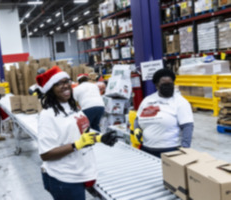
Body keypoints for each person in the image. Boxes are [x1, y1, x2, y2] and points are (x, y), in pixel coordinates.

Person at [36, 66, 119, 200]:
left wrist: (100, 138)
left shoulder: (73, 107)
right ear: (50, 89)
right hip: (64, 178)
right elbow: (45, 154)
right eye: (59, 83)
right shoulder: (48, 115)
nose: (65, 86)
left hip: (80, 170)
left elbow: (82, 132)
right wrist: (76, 145)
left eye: (67, 81)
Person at [135, 68, 194, 158]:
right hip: (146, 148)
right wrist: (136, 128)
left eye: (170, 84)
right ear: (157, 85)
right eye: (163, 84)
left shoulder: (180, 102)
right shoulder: (147, 100)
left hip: (170, 151)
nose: (167, 87)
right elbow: (137, 118)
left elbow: (187, 126)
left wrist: (185, 149)